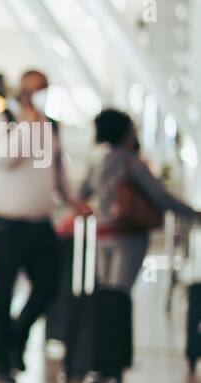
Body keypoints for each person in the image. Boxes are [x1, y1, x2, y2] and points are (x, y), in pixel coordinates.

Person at [0, 69, 90, 383]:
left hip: (39, 223)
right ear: (21, 91)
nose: (39, 95)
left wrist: (72, 201)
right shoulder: (1, 122)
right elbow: (2, 160)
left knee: (48, 285)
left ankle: (16, 336)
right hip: (2, 222)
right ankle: (0, 361)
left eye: (44, 89)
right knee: (3, 290)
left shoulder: (50, 125)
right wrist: (26, 126)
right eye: (34, 90)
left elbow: (56, 170)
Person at [81, 109, 197, 292]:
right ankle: (117, 321)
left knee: (106, 293)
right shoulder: (131, 163)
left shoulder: (97, 162)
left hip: (103, 231)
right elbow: (160, 197)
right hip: (128, 232)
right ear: (126, 132)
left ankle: (105, 321)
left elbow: (82, 193)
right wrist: (192, 214)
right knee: (121, 293)